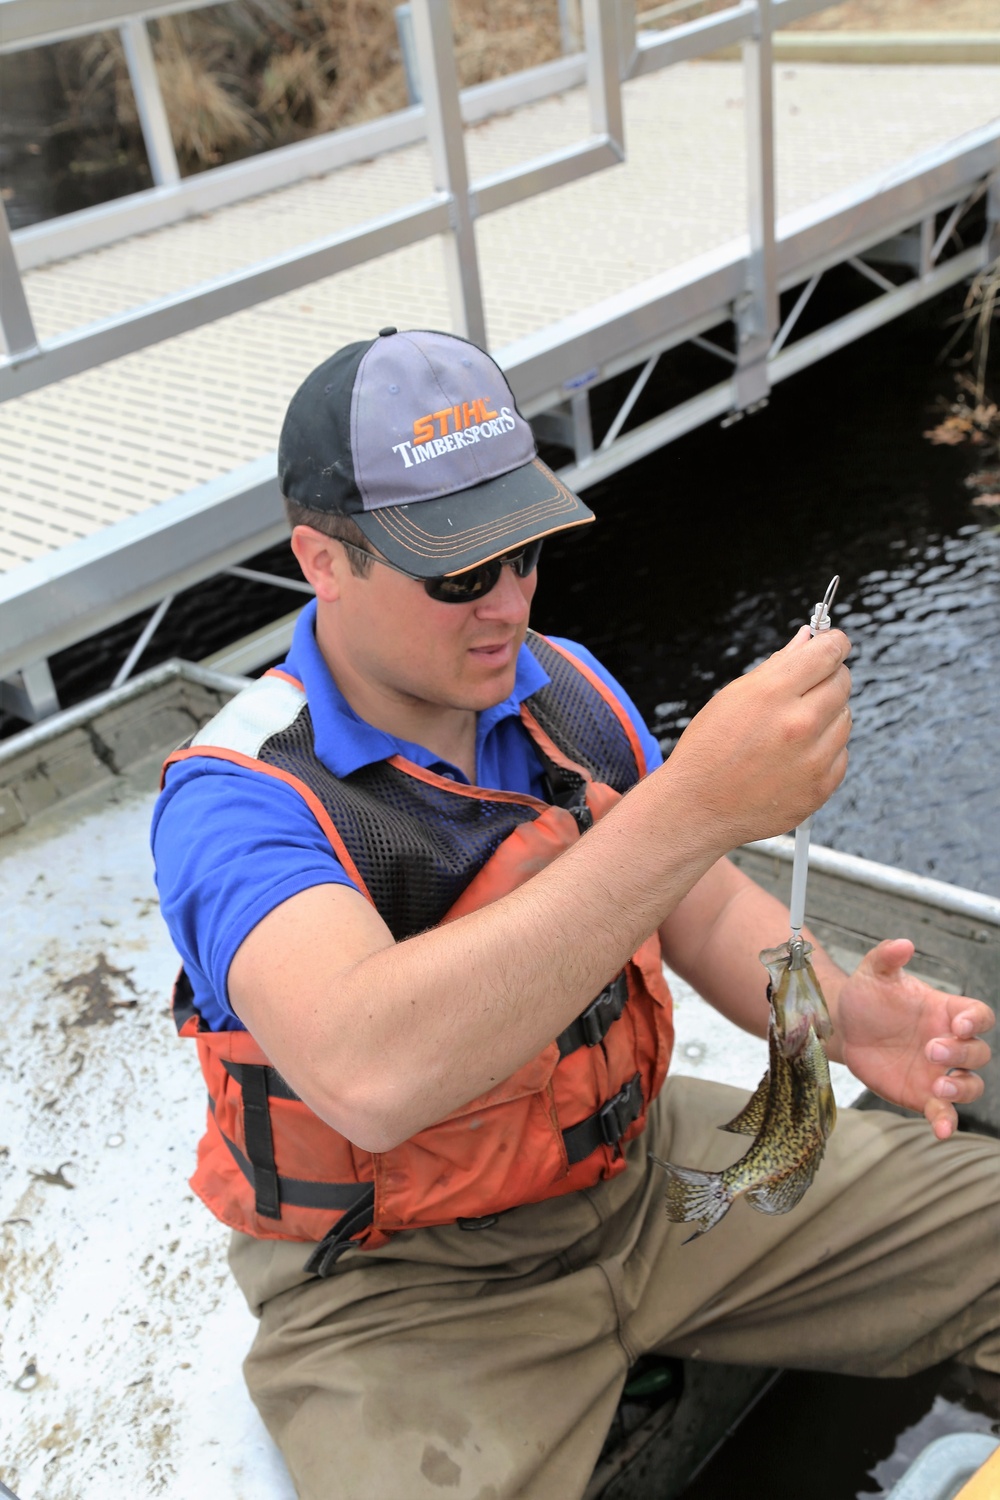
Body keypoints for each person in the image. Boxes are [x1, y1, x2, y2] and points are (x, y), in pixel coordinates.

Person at [152, 327, 998, 1500]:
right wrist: (696, 800)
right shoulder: (239, 795)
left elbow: (695, 900)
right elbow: (367, 1069)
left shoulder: (567, 690)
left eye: (524, 551)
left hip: (641, 1175)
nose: (505, 603)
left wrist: (843, 1022)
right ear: (322, 558)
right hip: (404, 1288)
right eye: (457, 571)